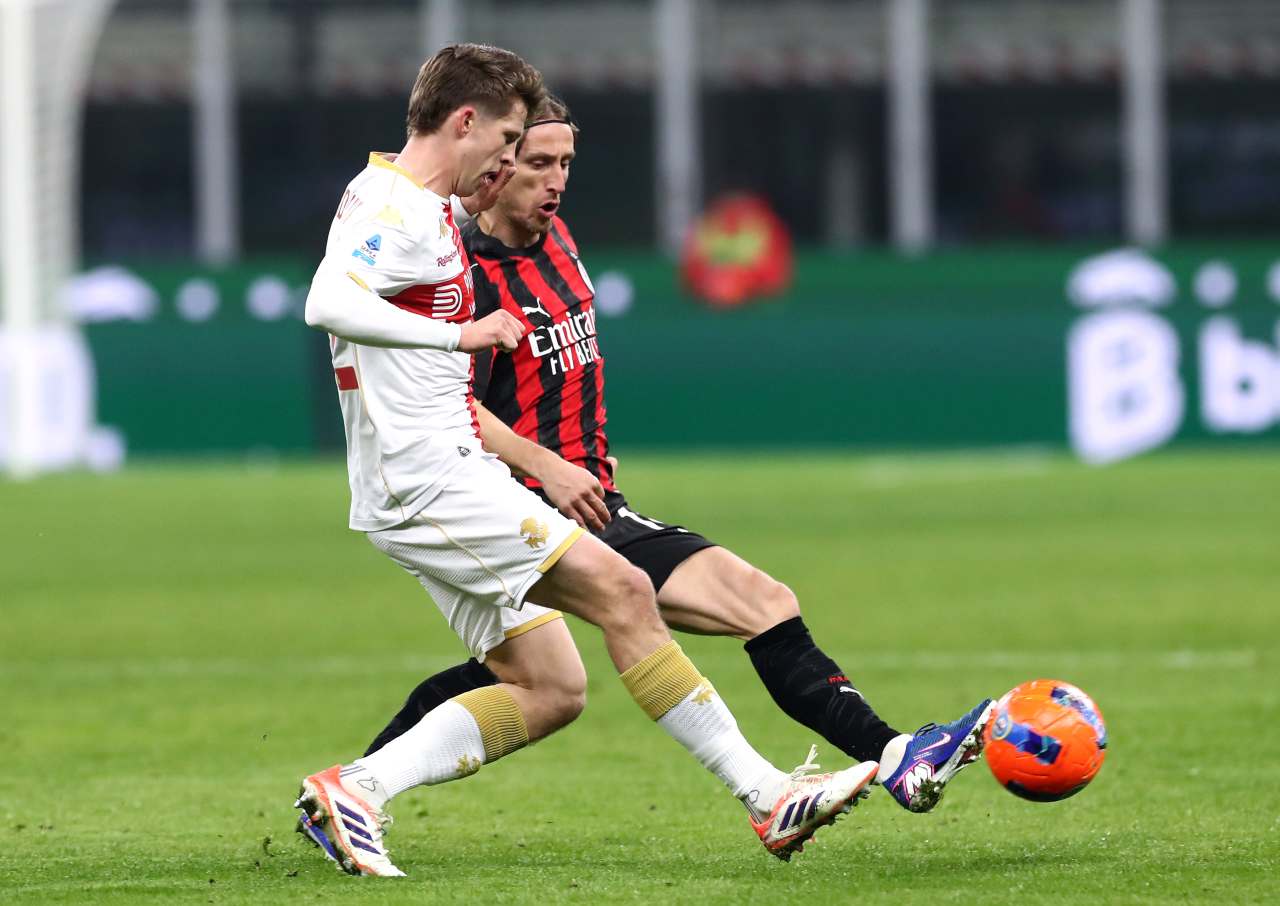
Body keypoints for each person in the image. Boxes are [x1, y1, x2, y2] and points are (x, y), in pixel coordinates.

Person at [295, 45, 878, 878]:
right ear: (466, 121)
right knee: (624, 589)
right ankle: (769, 795)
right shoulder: (400, 210)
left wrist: (460, 237)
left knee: (551, 689)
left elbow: (392, 257)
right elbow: (326, 301)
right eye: (506, 140)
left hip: (433, 473)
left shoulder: (398, 195)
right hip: (429, 480)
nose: (508, 162)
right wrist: (460, 334)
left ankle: (357, 787)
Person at [362, 93, 994, 817]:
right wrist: (548, 465)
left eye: (566, 163)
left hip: (587, 495)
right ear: (497, 165)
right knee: (749, 606)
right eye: (537, 163)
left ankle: (352, 787)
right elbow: (451, 404)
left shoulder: (556, 237)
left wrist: (580, 460)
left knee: (535, 681)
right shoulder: (464, 275)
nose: (556, 180)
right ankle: (876, 763)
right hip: (528, 504)